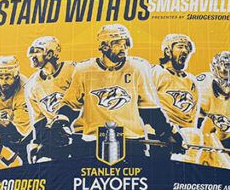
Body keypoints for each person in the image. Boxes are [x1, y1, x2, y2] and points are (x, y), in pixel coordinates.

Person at [59, 23, 181, 161]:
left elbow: (149, 109)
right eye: (118, 43)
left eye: (126, 43)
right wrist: (61, 124)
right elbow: (70, 104)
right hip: (91, 141)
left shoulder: (137, 68)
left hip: (131, 141)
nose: (123, 48)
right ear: (104, 47)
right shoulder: (84, 70)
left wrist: (167, 132)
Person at [24, 35, 76, 162]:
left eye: (37, 51)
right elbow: (39, 119)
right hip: (56, 135)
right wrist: (36, 142)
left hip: (80, 126)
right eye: (32, 52)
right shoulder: (32, 84)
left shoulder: (73, 70)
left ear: (50, 54)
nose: (32, 56)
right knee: (43, 162)